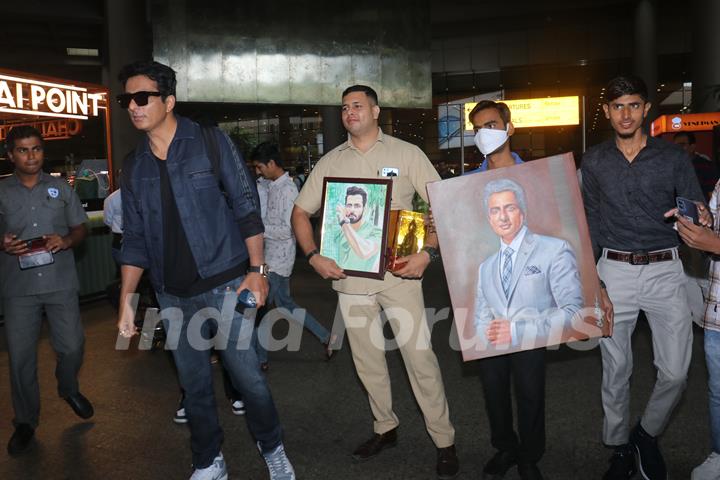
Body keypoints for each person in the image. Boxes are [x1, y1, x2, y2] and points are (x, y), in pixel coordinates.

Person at [115, 60, 294, 480]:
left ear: (169, 100)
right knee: (193, 387)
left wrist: (257, 270)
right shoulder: (134, 165)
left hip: (226, 284)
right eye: (127, 99)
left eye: (143, 97)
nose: (134, 106)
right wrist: (127, 301)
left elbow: (247, 208)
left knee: (248, 380)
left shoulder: (210, 142)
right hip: (172, 294)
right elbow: (135, 239)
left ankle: (273, 448)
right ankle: (208, 460)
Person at [291, 84, 459, 480]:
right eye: (345, 107)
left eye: (358, 105)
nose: (350, 112)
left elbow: (442, 202)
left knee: (421, 359)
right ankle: (385, 428)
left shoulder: (406, 154)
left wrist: (427, 253)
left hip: (399, 276)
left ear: (376, 111)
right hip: (349, 281)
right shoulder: (331, 161)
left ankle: (444, 440)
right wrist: (314, 257)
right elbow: (300, 212)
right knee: (368, 363)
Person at [582, 74, 706, 480]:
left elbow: (695, 207)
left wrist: (699, 215)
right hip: (613, 270)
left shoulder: (672, 159)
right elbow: (590, 222)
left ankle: (646, 434)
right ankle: (619, 447)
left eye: (634, 105)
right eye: (618, 106)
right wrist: (595, 281)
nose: (626, 113)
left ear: (646, 109)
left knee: (675, 371)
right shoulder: (595, 161)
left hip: (666, 270)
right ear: (606, 111)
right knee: (615, 369)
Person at [472, 178, 583, 480]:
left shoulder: (554, 249)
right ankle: (505, 447)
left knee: (530, 396)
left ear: (522, 212)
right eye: (495, 210)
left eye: (509, 208)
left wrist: (518, 331)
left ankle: (529, 457)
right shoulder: (486, 267)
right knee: (494, 396)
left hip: (532, 339)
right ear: (488, 217)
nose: (503, 216)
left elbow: (573, 312)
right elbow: (481, 311)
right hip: (493, 346)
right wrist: (483, 338)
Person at [0, 125, 93, 455]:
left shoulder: (60, 188)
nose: (31, 156)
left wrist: (67, 239)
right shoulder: (2, 193)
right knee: (21, 358)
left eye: (36, 149)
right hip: (18, 288)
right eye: (23, 150)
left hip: (60, 281)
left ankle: (67, 388)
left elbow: (79, 227)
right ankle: (25, 421)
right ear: (10, 155)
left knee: (72, 346)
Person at [250, 141, 333, 369]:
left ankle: (260, 359)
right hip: (270, 258)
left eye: (260, 167)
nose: (258, 171)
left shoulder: (288, 190)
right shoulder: (270, 185)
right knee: (285, 305)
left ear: (272, 164)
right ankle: (327, 337)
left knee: (262, 308)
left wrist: (260, 230)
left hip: (279, 260)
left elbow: (288, 229)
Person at [672, 181, 720, 480]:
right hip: (718, 311)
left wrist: (714, 244)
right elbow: (713, 228)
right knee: (718, 393)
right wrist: (704, 219)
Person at [465, 100, 523, 174]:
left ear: (510, 128)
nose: (483, 134)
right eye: (477, 129)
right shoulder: (466, 182)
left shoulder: (534, 175)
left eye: (491, 126)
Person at [334, 185, 383, 271]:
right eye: (349, 205)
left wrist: (344, 223)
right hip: (343, 281)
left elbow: (364, 252)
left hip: (366, 281)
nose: (352, 210)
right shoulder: (339, 232)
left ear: (364, 208)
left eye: (357, 206)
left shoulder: (376, 232)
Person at [674, 131, 720, 201]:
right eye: (675, 145)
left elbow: (713, 195)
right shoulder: (673, 166)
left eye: (682, 145)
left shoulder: (705, 166)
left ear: (692, 147)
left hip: (701, 209)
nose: (677, 148)